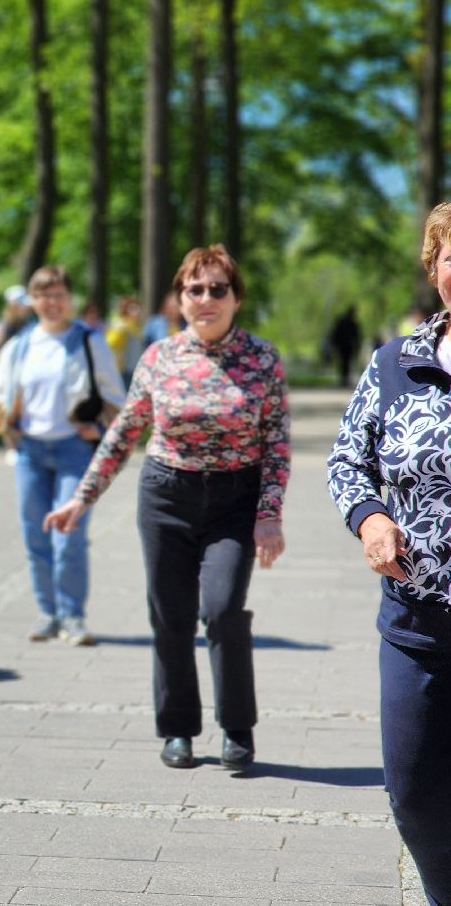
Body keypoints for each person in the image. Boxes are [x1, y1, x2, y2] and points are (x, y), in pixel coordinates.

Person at [47, 244, 289, 771]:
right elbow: (124, 433)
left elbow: (277, 445)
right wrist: (81, 500)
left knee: (223, 610)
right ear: (179, 299)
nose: (205, 299)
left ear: (236, 298)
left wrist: (269, 514)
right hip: (166, 496)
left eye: (217, 289)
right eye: (194, 289)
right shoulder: (159, 357)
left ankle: (237, 729)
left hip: (233, 499)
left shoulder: (262, 359)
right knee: (171, 616)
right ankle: (177, 729)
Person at [327, 201, 451, 906]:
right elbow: (347, 461)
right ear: (435, 265)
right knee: (411, 785)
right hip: (417, 617)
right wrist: (372, 520)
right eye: (450, 253)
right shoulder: (394, 365)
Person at [0, 265, 125, 646]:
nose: (52, 303)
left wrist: (96, 426)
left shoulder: (89, 342)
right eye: (44, 295)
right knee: (36, 536)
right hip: (30, 451)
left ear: (71, 299)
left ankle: (73, 616)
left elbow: (116, 397)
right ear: (32, 301)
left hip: (74, 452)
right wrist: (9, 423)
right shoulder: (20, 346)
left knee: (70, 535)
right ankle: (48, 613)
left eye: (59, 295)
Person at [104, 297, 147, 388]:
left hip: (136, 370)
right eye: (133, 309)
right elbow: (109, 343)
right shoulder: (122, 325)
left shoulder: (138, 327)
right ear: (126, 311)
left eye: (138, 309)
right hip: (124, 370)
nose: (137, 312)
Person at [0, 284, 32, 355]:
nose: (27, 309)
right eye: (22, 306)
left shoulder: (31, 323)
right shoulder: (2, 329)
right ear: (12, 307)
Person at [327, 308, 362, 388]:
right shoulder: (351, 323)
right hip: (346, 345)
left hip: (344, 346)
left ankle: (344, 379)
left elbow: (336, 333)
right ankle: (344, 379)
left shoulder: (345, 322)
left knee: (345, 362)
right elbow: (356, 336)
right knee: (346, 362)